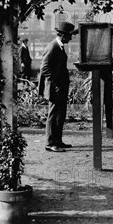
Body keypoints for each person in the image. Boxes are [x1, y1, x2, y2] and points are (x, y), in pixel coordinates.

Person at [38, 21, 78, 152]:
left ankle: (58, 141)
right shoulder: (53, 47)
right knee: (53, 114)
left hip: (60, 87)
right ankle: (50, 143)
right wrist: (55, 83)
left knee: (60, 114)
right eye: (69, 35)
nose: (71, 38)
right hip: (55, 88)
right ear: (62, 35)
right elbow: (44, 68)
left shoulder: (59, 46)